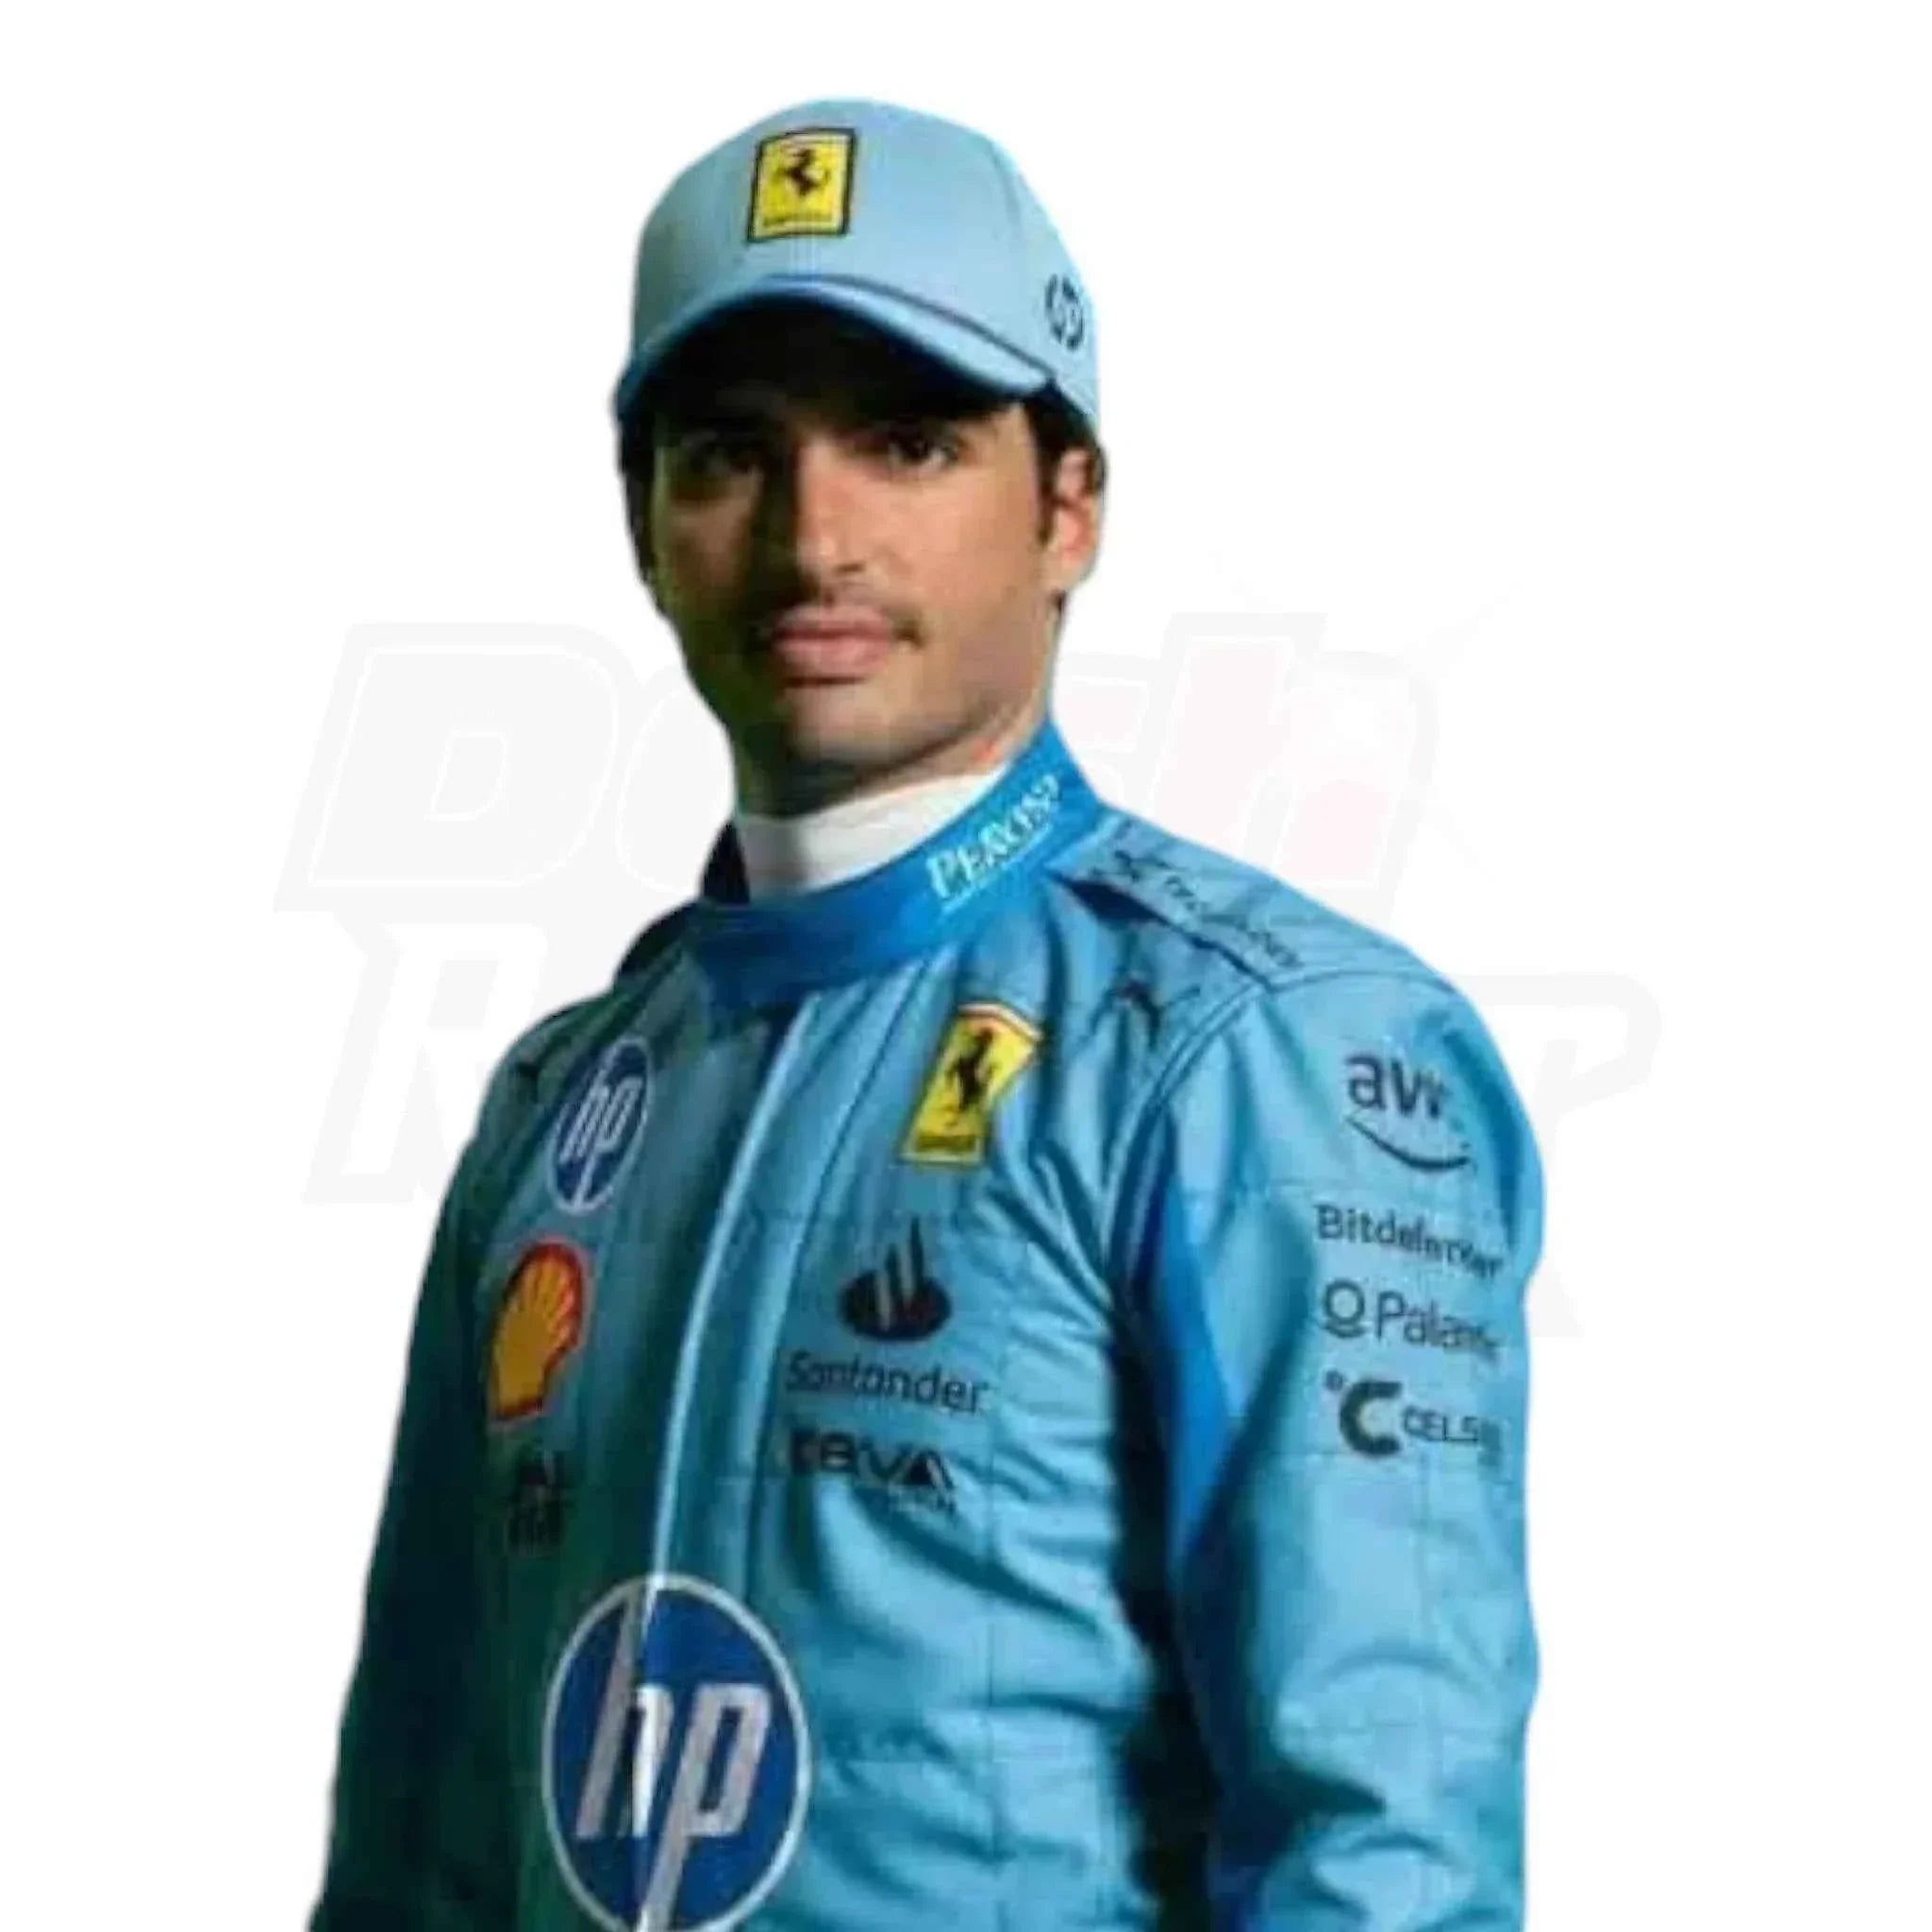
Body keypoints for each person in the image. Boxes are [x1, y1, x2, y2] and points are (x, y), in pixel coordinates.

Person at [309, 96, 1544, 1932]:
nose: (815, 537)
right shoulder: (565, 1100)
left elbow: (1386, 1844)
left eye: (907, 443)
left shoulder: (1265, 1054)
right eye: (730, 453)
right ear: (643, 521)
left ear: (1068, 506)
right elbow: (420, 1834)